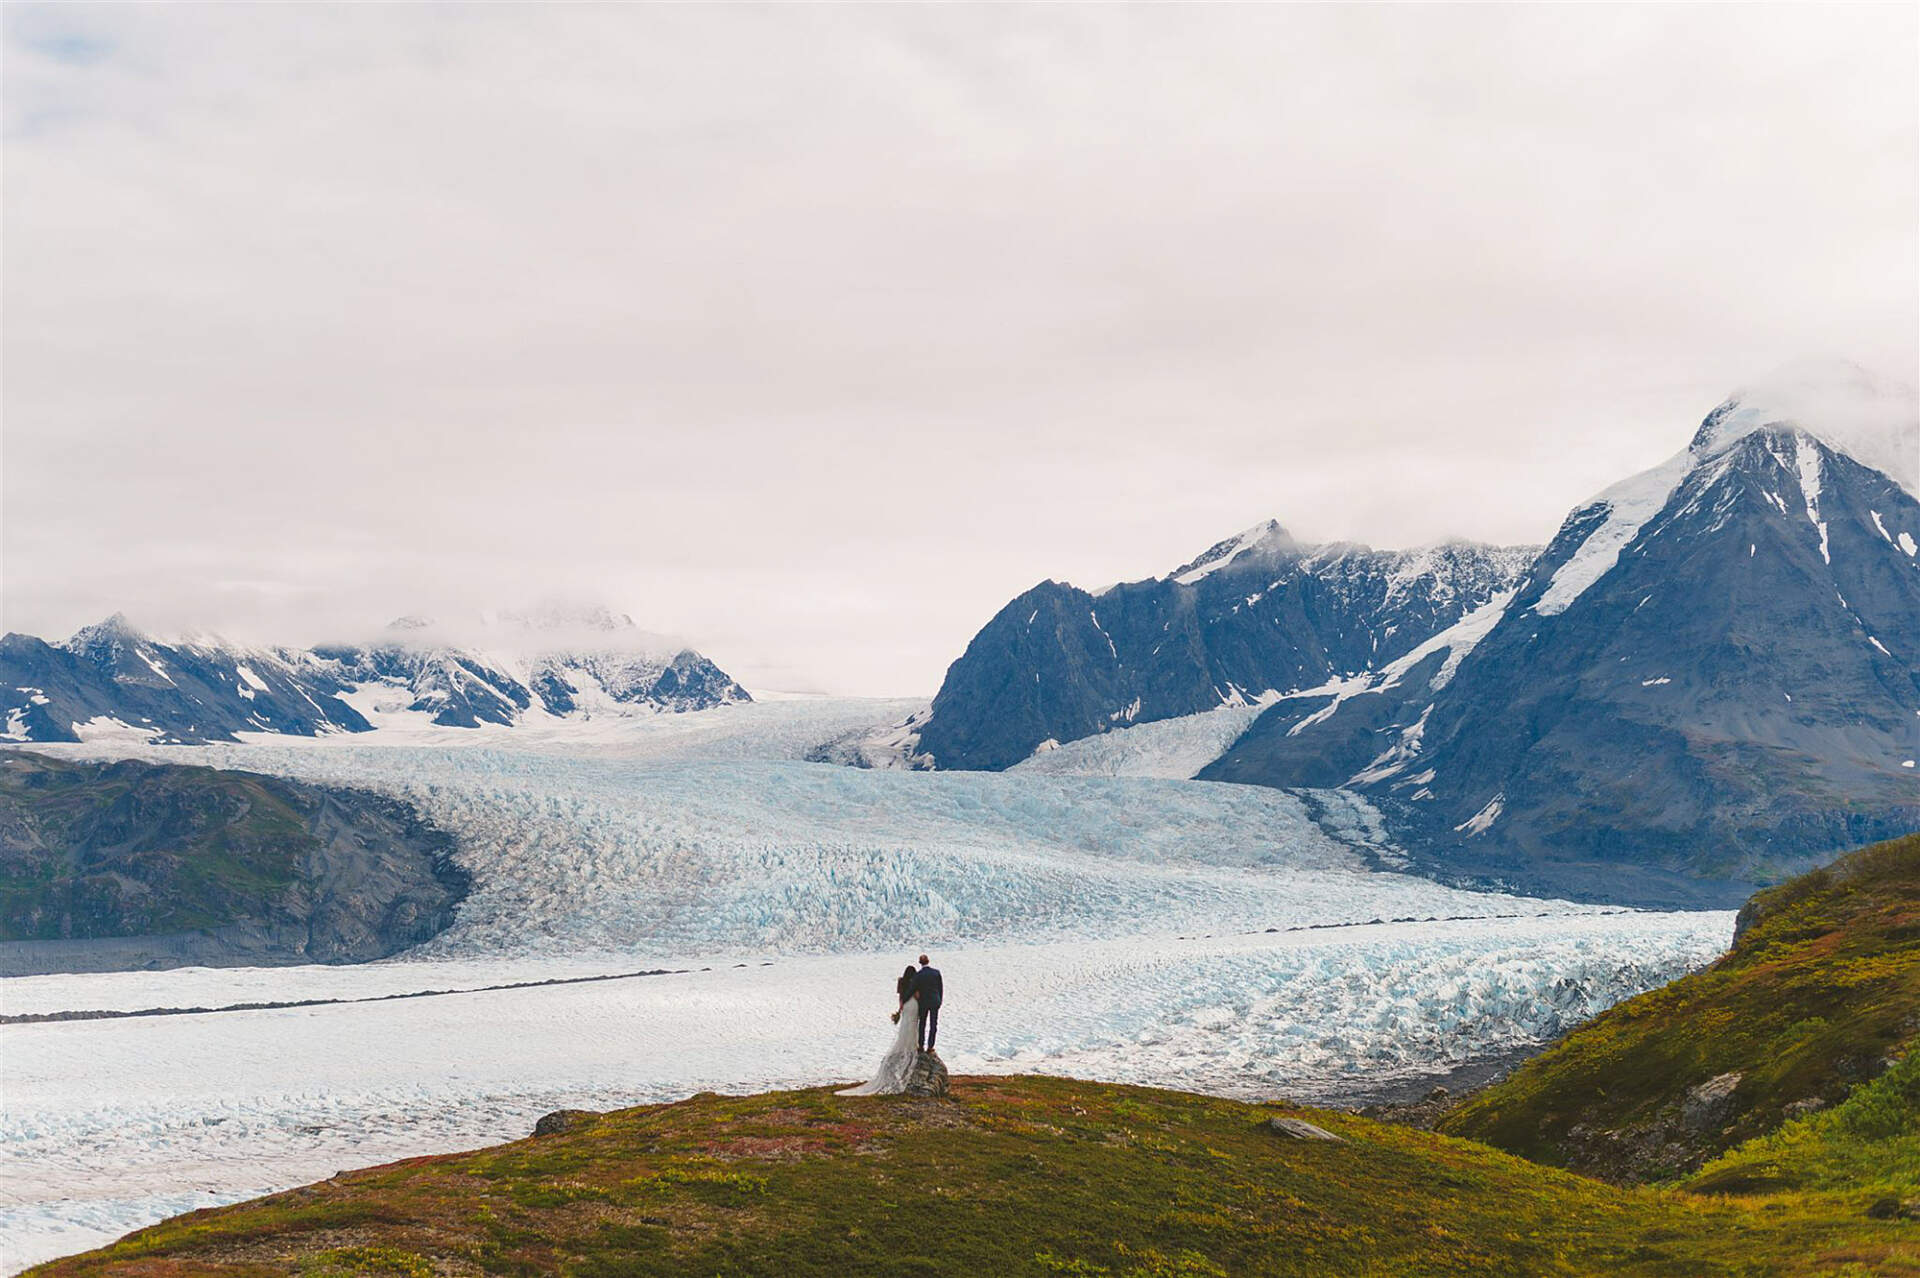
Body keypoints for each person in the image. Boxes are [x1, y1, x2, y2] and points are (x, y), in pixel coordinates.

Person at [836, 965, 922, 1096]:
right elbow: (917, 996)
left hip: (906, 1005)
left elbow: (900, 997)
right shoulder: (916, 982)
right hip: (914, 1005)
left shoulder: (901, 981)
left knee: (905, 1026)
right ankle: (912, 1045)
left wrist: (900, 1009)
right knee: (913, 1025)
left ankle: (905, 1044)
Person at [909, 954, 943, 1053]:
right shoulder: (936, 973)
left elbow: (912, 989)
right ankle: (930, 1046)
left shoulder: (918, 975)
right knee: (933, 1024)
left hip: (923, 1002)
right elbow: (940, 988)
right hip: (934, 1001)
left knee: (922, 1024)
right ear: (928, 961)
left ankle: (921, 1045)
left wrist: (904, 1000)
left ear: (920, 963)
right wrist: (940, 1000)